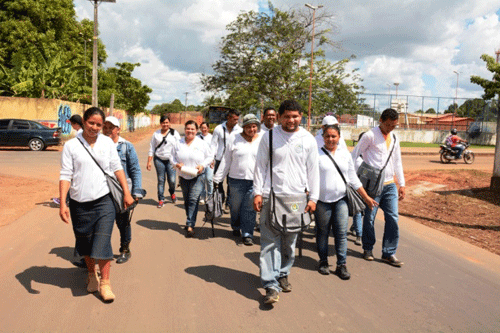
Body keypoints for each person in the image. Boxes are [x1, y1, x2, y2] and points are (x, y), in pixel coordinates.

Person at [59, 107, 135, 302]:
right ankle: (92, 275)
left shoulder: (107, 143)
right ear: (84, 121)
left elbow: (117, 168)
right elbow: (65, 174)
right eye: (91, 123)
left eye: (99, 125)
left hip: (104, 201)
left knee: (102, 241)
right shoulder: (71, 146)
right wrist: (62, 203)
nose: (94, 127)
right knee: (85, 242)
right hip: (78, 202)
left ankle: (106, 283)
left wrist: (127, 192)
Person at [253, 99, 319, 304]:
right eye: (287, 116)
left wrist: (314, 198)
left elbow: (313, 171)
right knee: (269, 242)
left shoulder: (308, 139)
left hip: (297, 199)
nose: (291, 120)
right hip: (271, 196)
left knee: (290, 242)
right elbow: (260, 167)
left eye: (295, 116)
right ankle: (270, 285)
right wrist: (257, 193)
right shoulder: (269, 137)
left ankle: (283, 273)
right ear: (280, 117)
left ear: (301, 117)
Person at [315, 125, 377, 279]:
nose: (330, 139)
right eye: (327, 136)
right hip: (322, 201)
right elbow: (309, 177)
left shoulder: (345, 154)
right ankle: (323, 261)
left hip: (341, 200)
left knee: (341, 233)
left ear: (339, 137)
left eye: (334, 136)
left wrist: (366, 197)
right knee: (322, 232)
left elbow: (352, 178)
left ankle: (341, 265)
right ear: (323, 137)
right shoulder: (315, 154)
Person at [351, 108, 406, 267]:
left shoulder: (395, 138)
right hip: (372, 186)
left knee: (393, 218)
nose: (390, 128)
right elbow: (354, 156)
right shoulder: (370, 136)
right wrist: (363, 174)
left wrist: (401, 183)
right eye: (388, 125)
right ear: (381, 120)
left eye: (393, 126)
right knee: (369, 218)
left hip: (390, 186)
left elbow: (397, 161)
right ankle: (368, 248)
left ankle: (389, 253)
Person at [214, 114, 262, 246]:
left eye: (254, 127)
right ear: (243, 127)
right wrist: (218, 178)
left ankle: (247, 234)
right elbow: (226, 160)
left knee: (249, 208)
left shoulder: (262, 140)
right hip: (236, 180)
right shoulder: (234, 139)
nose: (251, 129)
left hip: (254, 181)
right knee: (235, 207)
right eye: (248, 127)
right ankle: (235, 226)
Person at [103, 116, 145, 264]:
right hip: (103, 192)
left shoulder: (127, 146)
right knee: (102, 224)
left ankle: (125, 249)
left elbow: (135, 170)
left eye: (111, 127)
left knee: (123, 223)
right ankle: (97, 253)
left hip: (122, 192)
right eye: (105, 127)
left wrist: (136, 193)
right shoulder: (98, 145)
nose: (107, 130)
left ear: (118, 129)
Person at [171, 120, 212, 237]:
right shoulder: (178, 143)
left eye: (192, 129)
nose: (190, 131)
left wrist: (202, 165)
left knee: (193, 200)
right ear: (184, 130)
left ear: (196, 130)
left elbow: (209, 156)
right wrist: (176, 164)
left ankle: (190, 224)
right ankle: (189, 219)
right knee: (187, 200)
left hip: (198, 176)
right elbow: (171, 157)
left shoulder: (201, 143)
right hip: (183, 176)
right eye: (188, 128)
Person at [211, 109, 242, 212]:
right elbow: (213, 145)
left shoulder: (239, 130)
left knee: (231, 182)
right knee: (217, 181)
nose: (236, 122)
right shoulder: (219, 129)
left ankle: (228, 203)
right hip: (219, 159)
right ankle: (221, 199)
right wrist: (212, 158)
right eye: (234, 119)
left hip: (233, 160)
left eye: (237, 119)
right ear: (228, 118)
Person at [146, 114, 181, 208]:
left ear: (169, 123)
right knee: (161, 180)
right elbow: (152, 148)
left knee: (172, 180)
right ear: (161, 123)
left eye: (167, 122)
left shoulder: (174, 133)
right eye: (163, 122)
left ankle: (172, 193)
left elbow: (180, 147)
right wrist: (149, 161)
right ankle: (161, 199)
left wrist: (180, 160)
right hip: (159, 160)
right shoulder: (156, 134)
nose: (165, 124)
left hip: (171, 161)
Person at [197, 122, 214, 205]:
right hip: (200, 162)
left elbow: (214, 150)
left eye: (205, 128)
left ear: (208, 128)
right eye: (202, 128)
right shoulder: (197, 138)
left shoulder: (212, 137)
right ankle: (202, 197)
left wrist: (213, 160)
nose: (203, 129)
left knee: (209, 179)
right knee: (202, 180)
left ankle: (210, 197)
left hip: (210, 162)